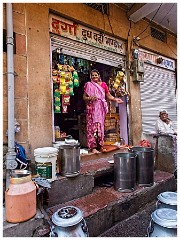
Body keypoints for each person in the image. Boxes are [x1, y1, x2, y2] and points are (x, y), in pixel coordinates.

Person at [83, 69, 123, 154]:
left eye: (96, 75)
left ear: (99, 76)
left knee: (100, 127)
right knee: (92, 127)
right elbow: (84, 97)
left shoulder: (104, 85)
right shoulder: (88, 85)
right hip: (92, 109)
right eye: (92, 75)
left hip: (100, 109)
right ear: (91, 77)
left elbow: (108, 95)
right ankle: (93, 147)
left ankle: (100, 146)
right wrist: (90, 98)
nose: (94, 77)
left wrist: (116, 99)